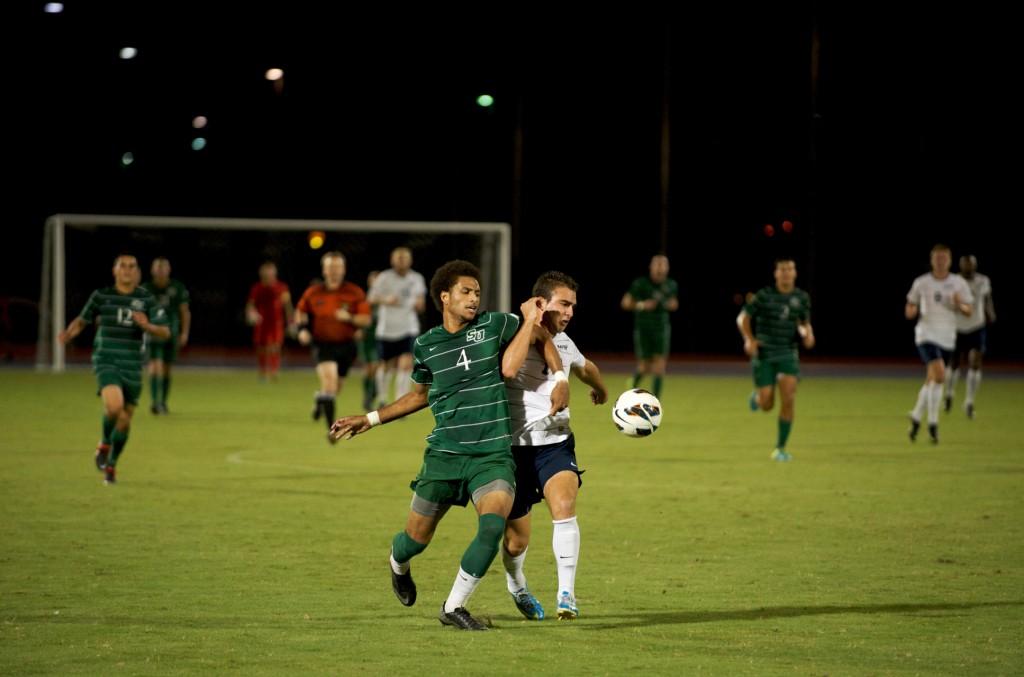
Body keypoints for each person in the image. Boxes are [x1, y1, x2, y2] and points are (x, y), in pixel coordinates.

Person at [329, 260, 569, 631]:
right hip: (444, 456)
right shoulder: (426, 345)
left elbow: (539, 334)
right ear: (445, 296)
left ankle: (454, 606)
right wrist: (370, 418)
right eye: (466, 292)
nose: (474, 299)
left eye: (477, 292)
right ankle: (398, 563)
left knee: (492, 527)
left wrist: (559, 377)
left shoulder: (495, 325)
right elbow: (417, 396)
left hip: (491, 456)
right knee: (415, 540)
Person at [501, 271, 608, 622]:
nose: (570, 311)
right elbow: (505, 370)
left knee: (564, 506)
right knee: (517, 542)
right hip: (513, 450)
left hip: (555, 444)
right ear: (540, 302)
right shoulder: (511, 334)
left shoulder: (564, 342)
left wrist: (602, 389)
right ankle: (517, 584)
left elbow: (585, 366)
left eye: (573, 306)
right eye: (564, 304)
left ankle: (567, 594)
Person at [58, 254, 170, 484]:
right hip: (106, 358)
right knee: (114, 406)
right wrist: (70, 333)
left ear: (137, 271)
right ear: (114, 271)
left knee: (125, 421)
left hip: (132, 364)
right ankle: (104, 443)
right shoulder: (101, 296)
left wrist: (147, 325)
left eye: (132, 266)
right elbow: (82, 320)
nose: (127, 270)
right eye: (123, 266)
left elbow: (165, 331)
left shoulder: (145, 299)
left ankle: (111, 464)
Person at [736, 258, 815, 461]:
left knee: (788, 399)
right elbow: (743, 318)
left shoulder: (802, 298)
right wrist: (749, 340)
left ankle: (780, 448)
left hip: (788, 353)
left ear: (795, 273)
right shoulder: (764, 296)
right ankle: (757, 397)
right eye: (782, 269)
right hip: (765, 355)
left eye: (790, 269)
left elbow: (804, 322)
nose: (787, 273)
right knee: (767, 404)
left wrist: (808, 334)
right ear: (776, 274)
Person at [294, 251, 372, 440]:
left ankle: (320, 399)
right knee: (329, 384)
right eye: (330, 267)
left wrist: (350, 318)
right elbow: (301, 311)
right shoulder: (313, 292)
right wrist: (302, 329)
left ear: (343, 270)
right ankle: (331, 431)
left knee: (335, 389)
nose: (334, 271)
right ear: (324, 270)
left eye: (337, 267)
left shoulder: (354, 292)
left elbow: (366, 320)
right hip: (322, 344)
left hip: (346, 346)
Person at [905, 244, 973, 444]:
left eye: (944, 258)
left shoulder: (958, 283)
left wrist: (959, 303)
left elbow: (969, 310)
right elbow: (910, 304)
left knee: (932, 380)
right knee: (941, 375)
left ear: (950, 260)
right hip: (925, 335)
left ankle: (917, 416)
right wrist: (911, 310)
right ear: (932, 260)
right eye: (937, 258)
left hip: (947, 337)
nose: (941, 261)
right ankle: (933, 424)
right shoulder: (922, 282)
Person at [367, 247, 427, 405]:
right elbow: (371, 298)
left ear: (410, 260)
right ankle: (382, 398)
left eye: (405, 258)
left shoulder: (417, 278)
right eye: (399, 258)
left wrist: (420, 304)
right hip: (387, 328)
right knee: (385, 366)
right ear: (393, 260)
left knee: (406, 365)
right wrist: (386, 300)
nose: (402, 261)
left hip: (408, 327)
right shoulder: (385, 277)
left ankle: (401, 401)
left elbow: (421, 300)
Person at [944, 255, 995, 418]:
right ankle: (949, 393)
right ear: (960, 266)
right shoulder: (953, 281)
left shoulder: (983, 281)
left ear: (975, 265)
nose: (968, 268)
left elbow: (987, 299)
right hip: (957, 327)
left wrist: (990, 312)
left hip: (976, 326)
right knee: (954, 363)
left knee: (975, 362)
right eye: (965, 265)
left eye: (971, 265)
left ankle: (969, 401)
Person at [620, 254, 678, 398]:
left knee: (659, 366)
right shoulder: (640, 283)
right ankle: (632, 383)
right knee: (644, 366)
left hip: (662, 328)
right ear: (651, 267)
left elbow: (674, 303)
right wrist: (642, 305)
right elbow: (625, 303)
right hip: (643, 328)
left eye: (663, 265)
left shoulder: (671, 285)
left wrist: (671, 305)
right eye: (657, 265)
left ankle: (656, 400)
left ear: (667, 268)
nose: (660, 268)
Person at [142, 257, 191, 414]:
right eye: (158, 268)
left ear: (169, 270)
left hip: (171, 333)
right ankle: (155, 402)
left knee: (167, 369)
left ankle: (163, 402)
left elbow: (184, 312)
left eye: (163, 268)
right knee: (155, 367)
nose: (161, 271)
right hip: (153, 333)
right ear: (152, 270)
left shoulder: (177, 288)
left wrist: (184, 332)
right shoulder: (145, 289)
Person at [246, 261, 294, 381]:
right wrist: (251, 314)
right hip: (262, 322)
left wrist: (291, 321)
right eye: (266, 274)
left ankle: (274, 371)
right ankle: (262, 371)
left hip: (276, 322)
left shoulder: (282, 287)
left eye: (271, 273)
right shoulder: (257, 288)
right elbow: (250, 305)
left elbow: (287, 305)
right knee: (261, 347)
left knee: (275, 347)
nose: (268, 276)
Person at [357, 270, 382, 410]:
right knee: (368, 368)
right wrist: (359, 329)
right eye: (374, 280)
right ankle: (368, 396)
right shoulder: (365, 299)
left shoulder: (385, 299)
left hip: (381, 336)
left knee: (376, 367)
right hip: (367, 336)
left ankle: (373, 393)